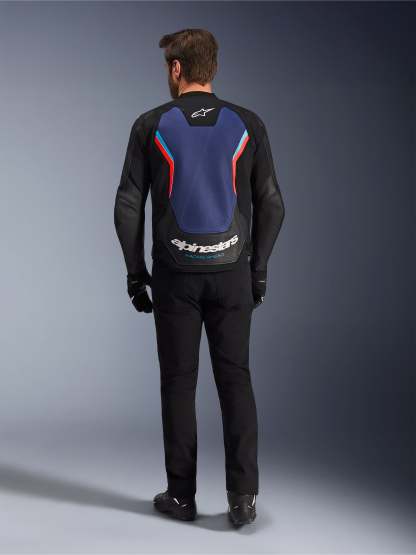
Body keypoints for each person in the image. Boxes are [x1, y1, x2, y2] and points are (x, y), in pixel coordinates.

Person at [114, 28, 285, 527]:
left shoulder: (150, 124)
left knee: (178, 383)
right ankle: (243, 498)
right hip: (232, 273)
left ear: (176, 69)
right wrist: (258, 272)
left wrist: (135, 274)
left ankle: (181, 496)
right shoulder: (247, 123)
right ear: (213, 67)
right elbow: (273, 204)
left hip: (175, 275)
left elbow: (127, 205)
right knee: (235, 379)